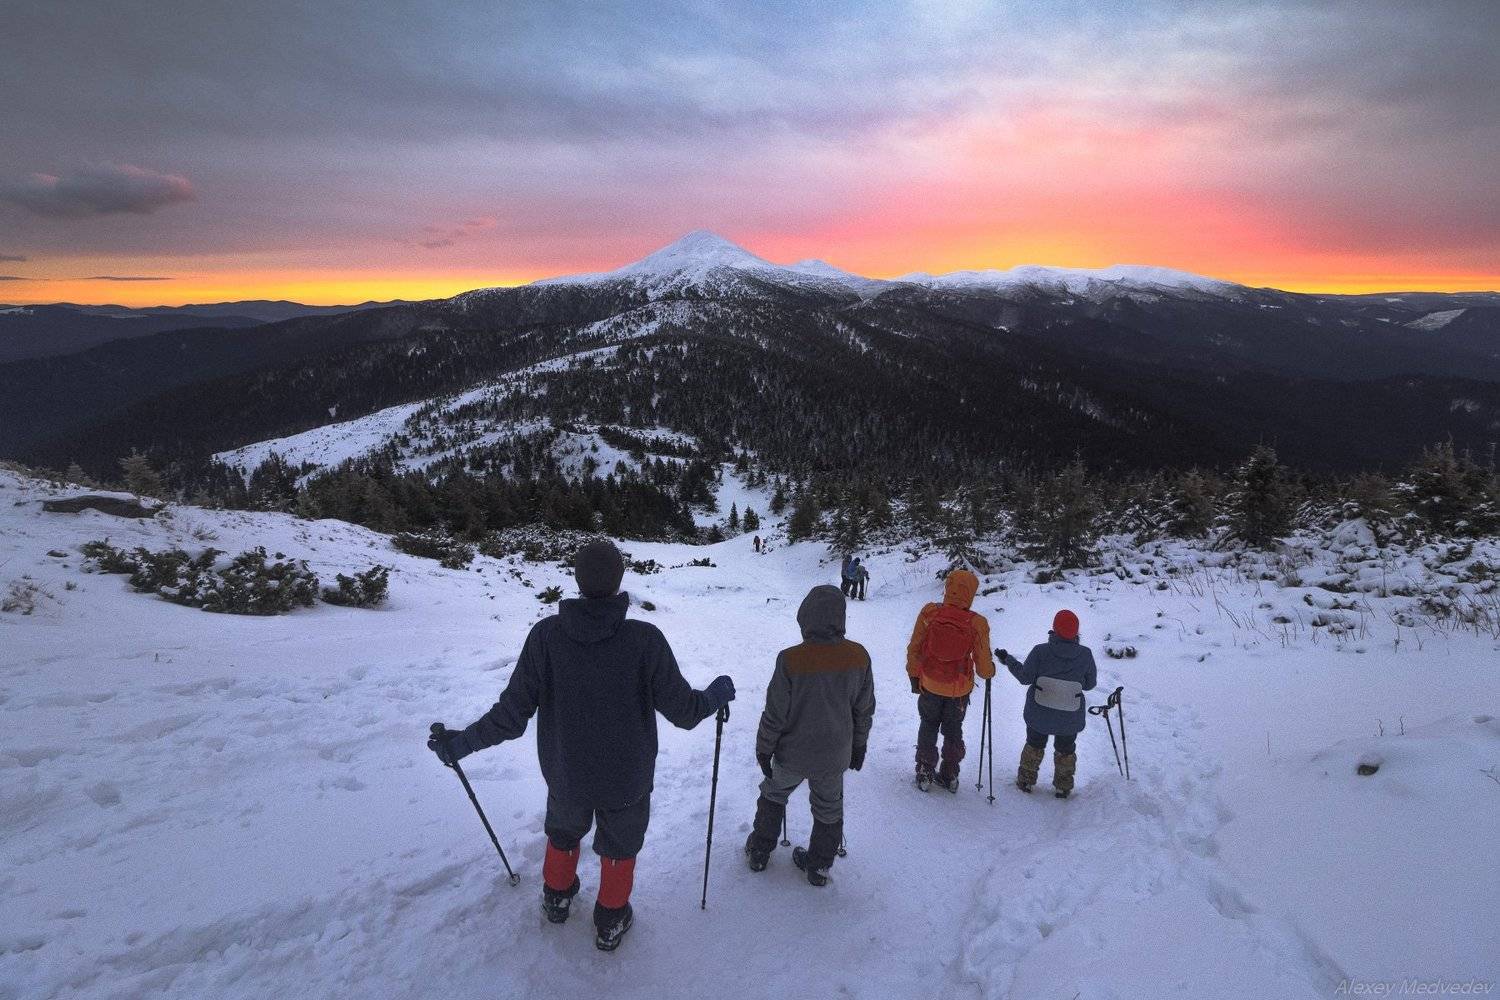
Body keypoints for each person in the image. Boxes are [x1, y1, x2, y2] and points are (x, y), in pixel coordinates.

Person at [428, 540, 735, 951]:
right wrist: (715, 695)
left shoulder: (546, 636)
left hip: (566, 774)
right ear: (619, 580)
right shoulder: (644, 640)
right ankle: (610, 919)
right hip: (626, 779)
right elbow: (685, 711)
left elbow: (511, 714)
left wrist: (459, 745)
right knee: (620, 845)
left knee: (563, 832)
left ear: (577, 580)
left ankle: (556, 898)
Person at [744, 585, 875, 886]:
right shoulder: (858, 657)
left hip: (792, 754)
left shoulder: (790, 659)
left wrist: (764, 748)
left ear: (805, 616)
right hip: (834, 754)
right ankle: (818, 867)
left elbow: (775, 713)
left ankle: (760, 851)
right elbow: (863, 709)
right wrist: (859, 745)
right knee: (829, 808)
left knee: (773, 794)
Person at [904, 569, 994, 792]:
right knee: (954, 728)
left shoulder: (930, 613)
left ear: (948, 588)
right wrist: (990, 671)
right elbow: (983, 667)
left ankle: (925, 770)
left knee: (928, 725)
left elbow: (914, 648)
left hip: (929, 683)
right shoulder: (977, 623)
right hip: (958, 690)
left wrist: (915, 676)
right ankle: (950, 773)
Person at [996, 609, 1097, 799]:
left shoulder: (1040, 651)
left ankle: (1026, 781)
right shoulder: (1085, 655)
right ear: (1076, 632)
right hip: (1069, 718)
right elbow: (1090, 684)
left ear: (1054, 629)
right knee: (1066, 748)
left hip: (1039, 715)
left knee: (1034, 744)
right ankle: (1063, 786)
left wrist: (1008, 660)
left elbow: (1025, 678)